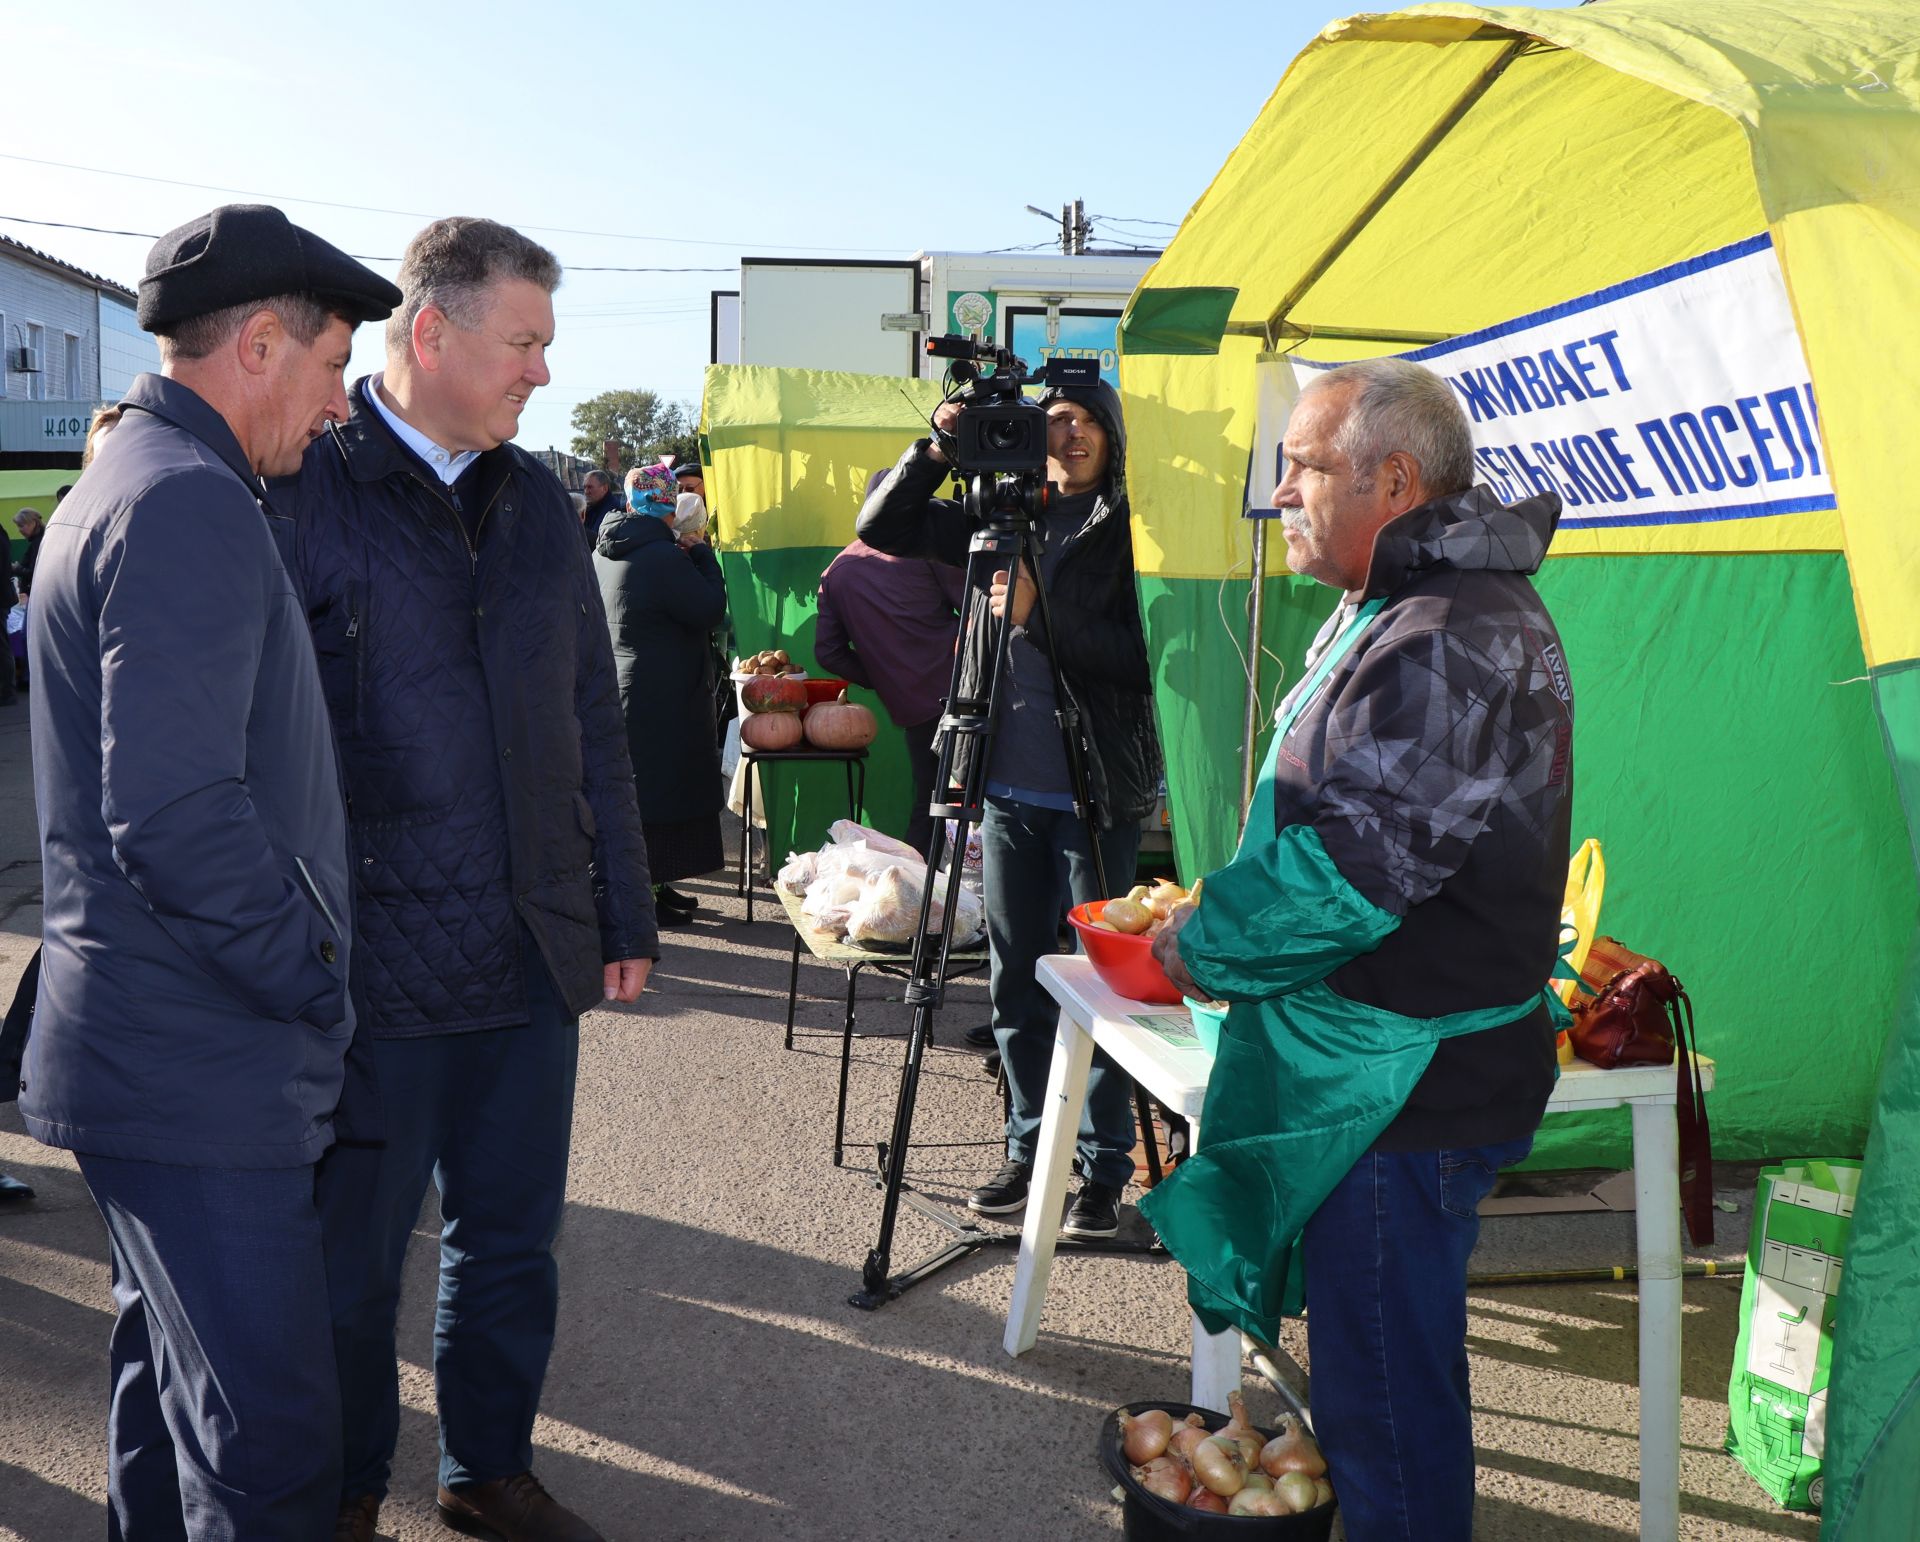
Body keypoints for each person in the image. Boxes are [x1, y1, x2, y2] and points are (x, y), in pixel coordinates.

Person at [275, 216, 658, 1542]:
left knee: (511, 1243)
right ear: (431, 333)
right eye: (526, 341)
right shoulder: (306, 487)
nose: (543, 372)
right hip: (369, 963)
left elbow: (589, 724)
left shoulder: (539, 499)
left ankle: (485, 1467)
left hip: (526, 949)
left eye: (548, 343)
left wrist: (622, 904)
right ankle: (338, 1492)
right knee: (350, 1266)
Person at [1147, 357, 1574, 1542]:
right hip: (1385, 1065)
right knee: (1381, 1375)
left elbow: (1351, 874)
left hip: (1406, 1089)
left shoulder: (1444, 632)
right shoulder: (1408, 604)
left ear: (1393, 478)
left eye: (1300, 465)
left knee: (1385, 1403)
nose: (1278, 490)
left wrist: (1200, 941)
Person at [20, 202, 398, 1539]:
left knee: (166, 1396)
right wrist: (309, 972)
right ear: (256, 344)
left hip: (162, 1049)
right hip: (197, 1062)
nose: (342, 403)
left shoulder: (145, 484)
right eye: (336, 363)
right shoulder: (185, 503)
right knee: (274, 1448)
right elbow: (175, 813)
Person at [858, 378, 1162, 1240]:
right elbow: (880, 527)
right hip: (1006, 788)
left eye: (1083, 422)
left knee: (1099, 986)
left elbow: (1142, 657)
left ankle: (1103, 1173)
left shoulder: (1129, 526)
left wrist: (1039, 617)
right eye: (1051, 421)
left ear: (1111, 435)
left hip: (1095, 788)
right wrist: (937, 451)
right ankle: (1029, 1149)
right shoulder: (998, 518)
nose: (1066, 436)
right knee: (1015, 981)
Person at [595, 469, 728, 925]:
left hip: (627, 688)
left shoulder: (606, 550)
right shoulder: (662, 556)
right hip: (661, 693)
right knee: (657, 799)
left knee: (642, 795)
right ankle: (642, 900)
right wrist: (705, 557)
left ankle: (656, 886)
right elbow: (709, 609)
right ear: (667, 506)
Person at [815, 470, 965, 858]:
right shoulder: (924, 548)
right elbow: (976, 607)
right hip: (964, 689)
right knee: (981, 800)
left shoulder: (836, 570)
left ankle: (916, 895)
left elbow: (827, 652)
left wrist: (885, 679)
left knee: (931, 800)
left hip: (911, 704)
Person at [579, 467, 624, 546]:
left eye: (590, 487)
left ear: (605, 488)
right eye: (584, 487)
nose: (586, 492)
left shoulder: (613, 511)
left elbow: (599, 541)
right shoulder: (590, 506)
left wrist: (577, 527)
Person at [13, 508, 44, 592]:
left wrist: (17, 568)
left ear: (33, 523)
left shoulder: (37, 543)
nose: (19, 530)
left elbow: (34, 573)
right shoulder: (41, 540)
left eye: (21, 526)